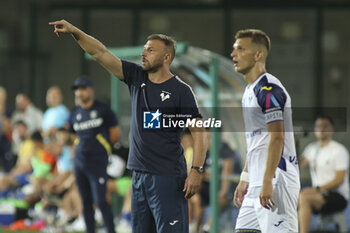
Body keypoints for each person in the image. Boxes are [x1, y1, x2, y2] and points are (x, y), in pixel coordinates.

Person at [49, 19, 207, 233]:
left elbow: (200, 132)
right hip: (139, 177)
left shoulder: (181, 91)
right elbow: (100, 54)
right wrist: (76, 31)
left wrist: (196, 170)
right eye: (144, 49)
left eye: (150, 50)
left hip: (168, 177)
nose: (144, 53)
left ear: (166, 57)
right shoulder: (136, 76)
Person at [231, 29, 300, 233]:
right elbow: (256, 142)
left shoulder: (268, 89)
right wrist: (245, 178)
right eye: (234, 49)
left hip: (276, 180)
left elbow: (277, 138)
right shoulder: (248, 91)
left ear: (258, 54)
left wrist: (268, 180)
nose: (233, 54)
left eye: (241, 49)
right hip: (256, 182)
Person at [67, 76, 121, 233]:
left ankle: (111, 230)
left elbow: (115, 134)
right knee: (85, 201)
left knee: (101, 200)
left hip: (97, 162)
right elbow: (72, 134)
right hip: (79, 162)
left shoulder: (102, 109)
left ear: (91, 90)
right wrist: (79, 146)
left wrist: (100, 147)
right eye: (77, 90)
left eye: (82, 89)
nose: (79, 93)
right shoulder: (74, 112)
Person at [298, 116, 349, 233]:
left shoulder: (339, 150)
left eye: (325, 126)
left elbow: (339, 179)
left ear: (332, 129)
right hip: (319, 193)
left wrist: (316, 189)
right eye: (319, 126)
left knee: (304, 197)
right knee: (293, 197)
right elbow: (299, 163)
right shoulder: (311, 149)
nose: (322, 129)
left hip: (338, 196)